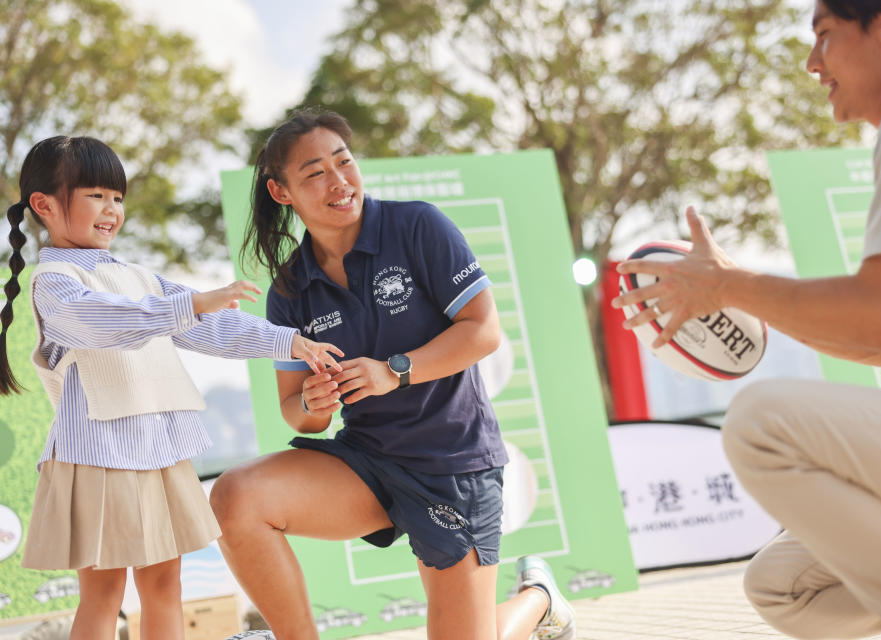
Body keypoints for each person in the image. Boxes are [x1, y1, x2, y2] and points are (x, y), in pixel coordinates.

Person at [615, 1, 881, 638]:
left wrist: (730, 286)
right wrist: (736, 294)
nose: (812, 62)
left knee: (760, 422)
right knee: (783, 585)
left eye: (824, 37)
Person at [209, 109, 576, 640]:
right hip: (369, 464)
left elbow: (483, 331)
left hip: (453, 463)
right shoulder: (289, 288)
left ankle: (537, 602)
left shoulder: (417, 226)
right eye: (315, 173)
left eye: (344, 162)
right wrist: (315, 402)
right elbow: (297, 413)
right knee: (235, 498)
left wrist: (393, 372)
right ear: (282, 192)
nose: (339, 181)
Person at [0, 135, 343, 640]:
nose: (111, 210)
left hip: (160, 448)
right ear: (44, 205)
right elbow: (102, 321)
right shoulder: (55, 278)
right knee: (104, 594)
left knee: (165, 583)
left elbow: (211, 327)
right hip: (99, 453)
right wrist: (192, 304)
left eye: (117, 198)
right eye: (95, 194)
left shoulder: (138, 275)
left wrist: (290, 342)